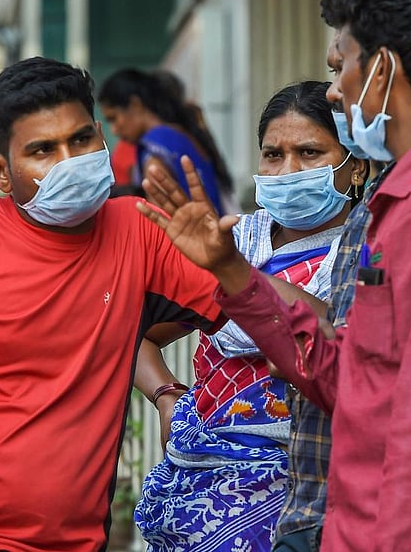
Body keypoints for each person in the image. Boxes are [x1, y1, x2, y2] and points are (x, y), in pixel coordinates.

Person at [137, 0, 411, 551]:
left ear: (382, 69)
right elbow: (355, 378)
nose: (333, 90)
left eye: (339, 65)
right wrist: (232, 272)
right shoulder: (401, 198)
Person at [0, 56, 226, 552]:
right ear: (1, 172)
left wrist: (229, 270)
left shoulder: (139, 230)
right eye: (42, 150)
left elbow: (266, 319)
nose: (69, 161)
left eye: (81, 140)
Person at [136, 81, 368, 552]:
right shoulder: (233, 239)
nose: (288, 171)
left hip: (307, 484)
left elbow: (331, 343)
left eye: (309, 153)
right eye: (273, 155)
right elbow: (137, 333)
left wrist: (232, 273)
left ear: (357, 166)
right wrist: (165, 396)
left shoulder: (367, 250)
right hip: (195, 478)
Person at [98, 67, 225, 214]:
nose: (114, 130)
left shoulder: (153, 153)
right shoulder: (181, 133)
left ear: (135, 104)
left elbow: (158, 221)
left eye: (113, 118)